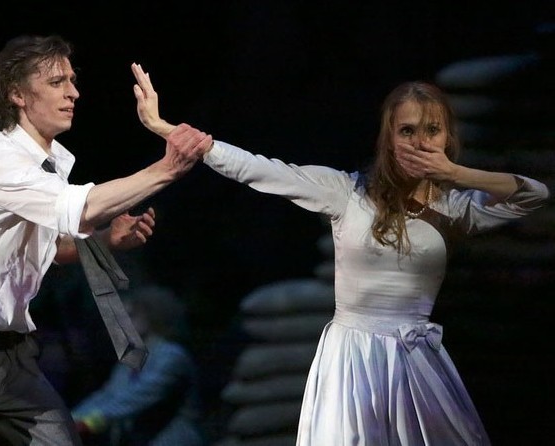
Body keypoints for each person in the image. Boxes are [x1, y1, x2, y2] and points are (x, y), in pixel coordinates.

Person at [130, 63, 550, 445]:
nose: (420, 143)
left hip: (416, 357)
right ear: (389, 138)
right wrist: (171, 131)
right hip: (354, 358)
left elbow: (534, 195)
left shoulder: (454, 208)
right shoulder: (348, 192)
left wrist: (455, 173)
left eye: (432, 131)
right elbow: (261, 169)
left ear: (447, 138)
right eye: (407, 131)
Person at [0, 35, 211, 446]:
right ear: (17, 95)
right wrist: (167, 169)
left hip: (13, 355)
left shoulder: (49, 165)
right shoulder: (1, 160)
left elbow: (48, 251)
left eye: (72, 80)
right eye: (56, 82)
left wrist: (105, 241)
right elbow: (82, 209)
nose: (73, 92)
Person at [71, 284, 206, 446]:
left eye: (131, 315)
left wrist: (85, 423)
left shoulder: (172, 356)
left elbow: (135, 398)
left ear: (153, 316)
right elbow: (108, 395)